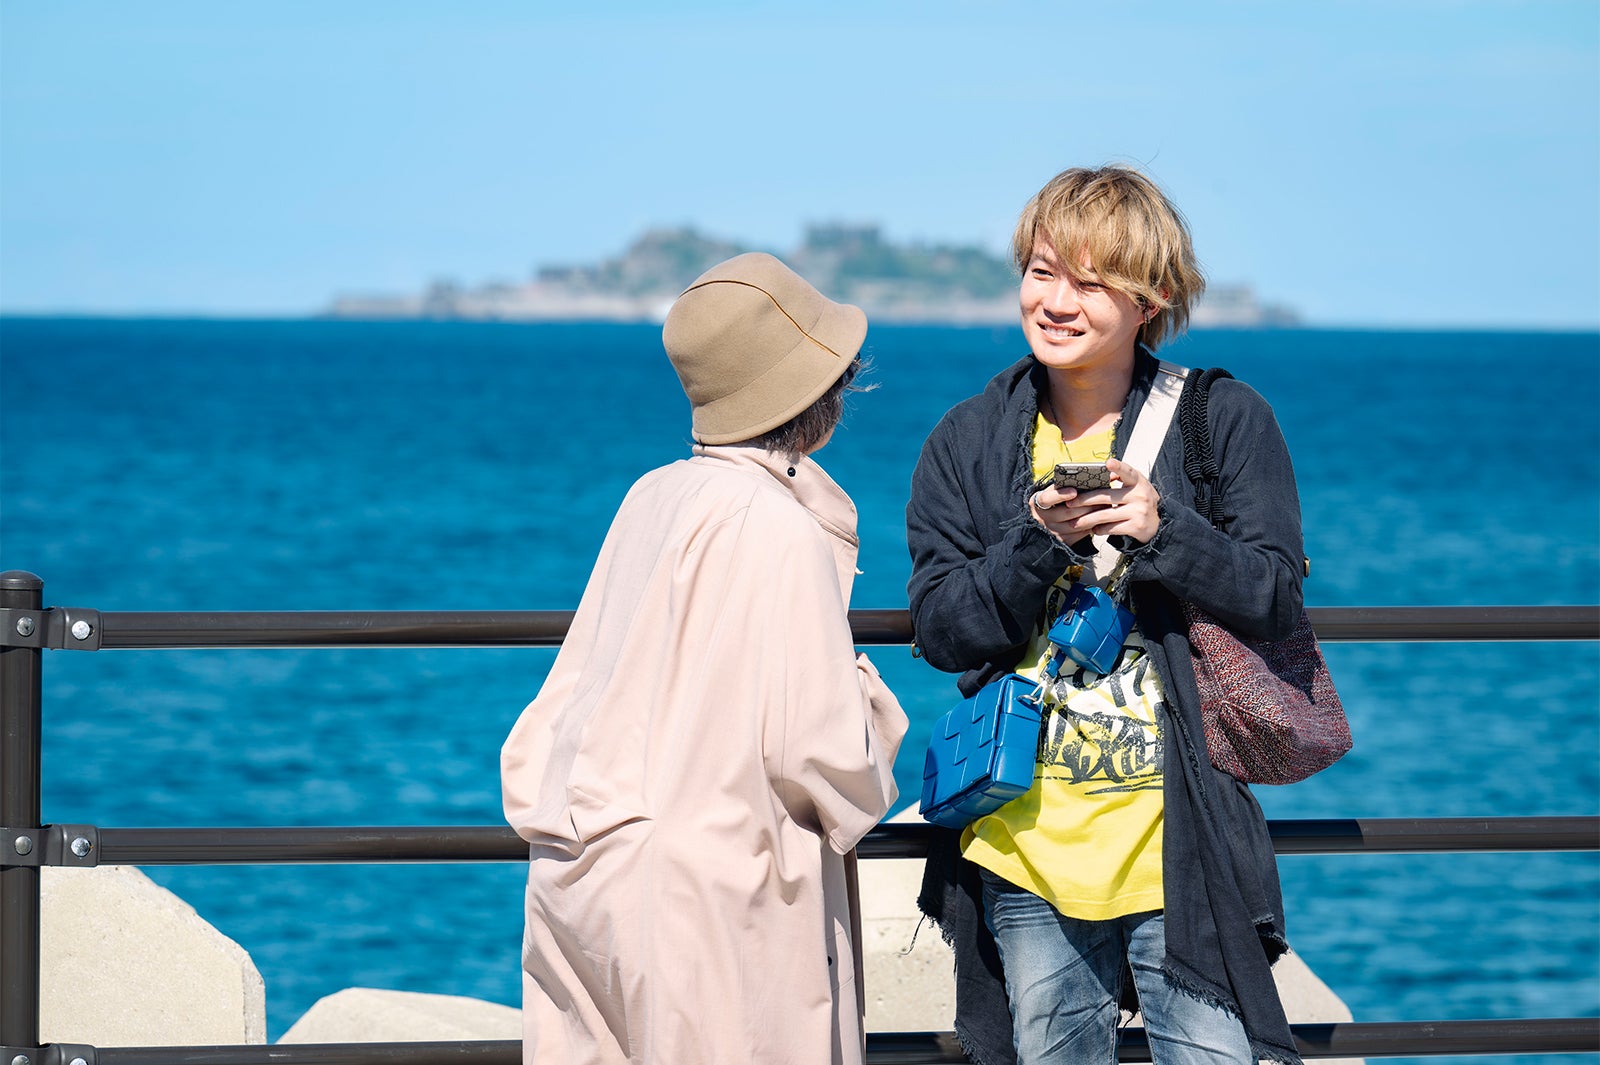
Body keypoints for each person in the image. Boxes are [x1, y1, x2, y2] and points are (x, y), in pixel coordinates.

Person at [906, 166, 1305, 1065]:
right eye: (1042, 271)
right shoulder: (969, 440)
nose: (1056, 302)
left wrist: (1168, 530)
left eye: (1090, 283)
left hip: (1184, 848)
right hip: (1024, 847)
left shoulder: (1222, 421)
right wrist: (1037, 542)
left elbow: (1276, 597)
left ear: (1149, 300)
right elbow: (941, 629)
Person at [501, 252, 908, 1065]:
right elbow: (823, 757)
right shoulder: (778, 527)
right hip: (713, 903)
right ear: (816, 396)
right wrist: (872, 706)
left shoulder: (652, 494)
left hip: (587, 874)